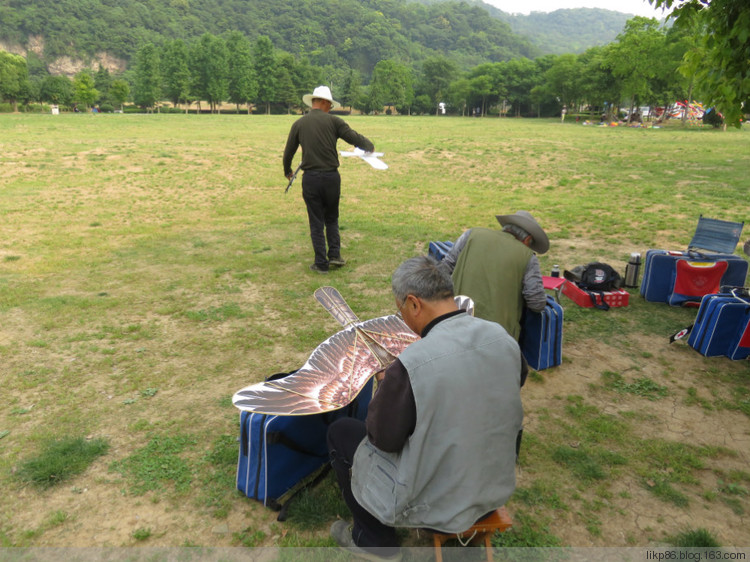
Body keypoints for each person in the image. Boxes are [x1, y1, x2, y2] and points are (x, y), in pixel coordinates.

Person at [327, 256, 524, 560]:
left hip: (438, 501)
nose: (402, 317)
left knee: (342, 432)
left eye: (400, 310)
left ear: (414, 304)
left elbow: (383, 439)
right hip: (493, 484)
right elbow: (511, 380)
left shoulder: (410, 365)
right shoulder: (502, 337)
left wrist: (387, 387)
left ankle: (374, 540)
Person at [283, 85, 375, 274]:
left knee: (316, 221)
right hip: (332, 178)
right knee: (332, 218)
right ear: (324, 102)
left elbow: (288, 152)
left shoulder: (299, 124)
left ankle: (321, 263)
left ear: (314, 102)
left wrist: (288, 171)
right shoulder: (335, 122)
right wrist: (369, 146)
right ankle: (335, 255)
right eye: (330, 105)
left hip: (311, 178)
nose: (330, 109)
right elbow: (353, 138)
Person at [439, 210, 549, 341]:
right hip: (496, 337)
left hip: (453, 320)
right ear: (527, 239)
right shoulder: (527, 256)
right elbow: (537, 304)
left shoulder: (472, 234)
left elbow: (443, 270)